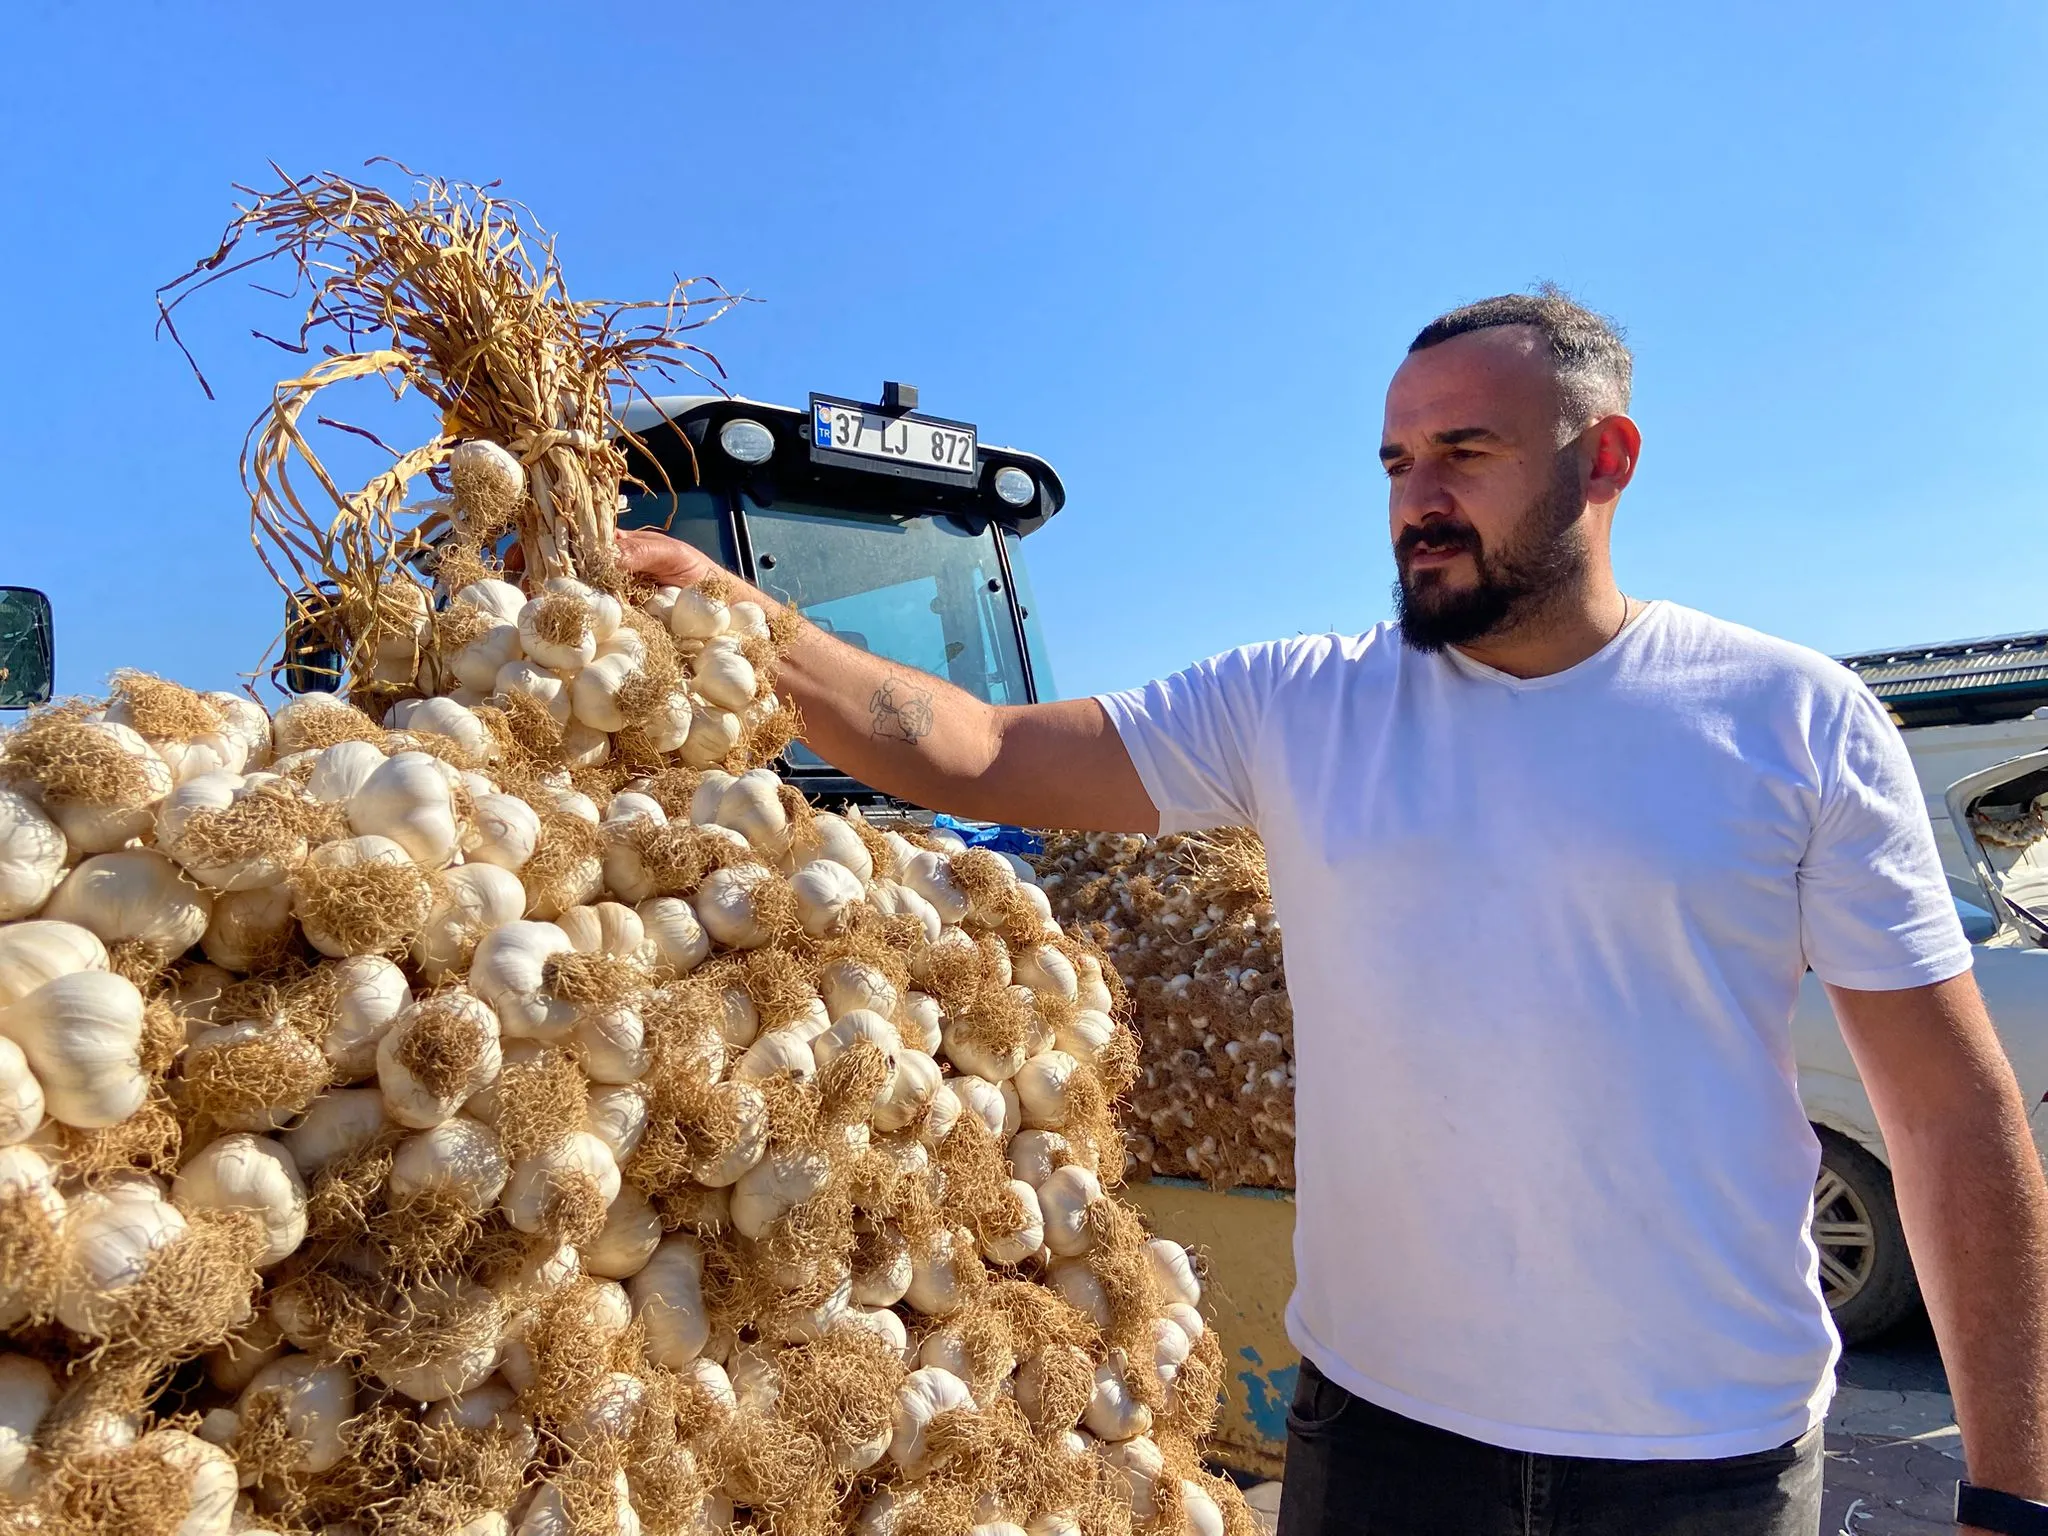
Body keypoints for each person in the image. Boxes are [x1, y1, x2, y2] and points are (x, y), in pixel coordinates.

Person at [617, 291, 2048, 1536]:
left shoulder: (1793, 719)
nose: (1417, 495)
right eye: (1396, 461)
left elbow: (1945, 1116)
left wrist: (2011, 1487)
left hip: (1703, 1470)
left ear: (1606, 460)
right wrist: (730, 607)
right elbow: (979, 750)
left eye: (1466, 453)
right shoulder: (1302, 706)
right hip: (1381, 1450)